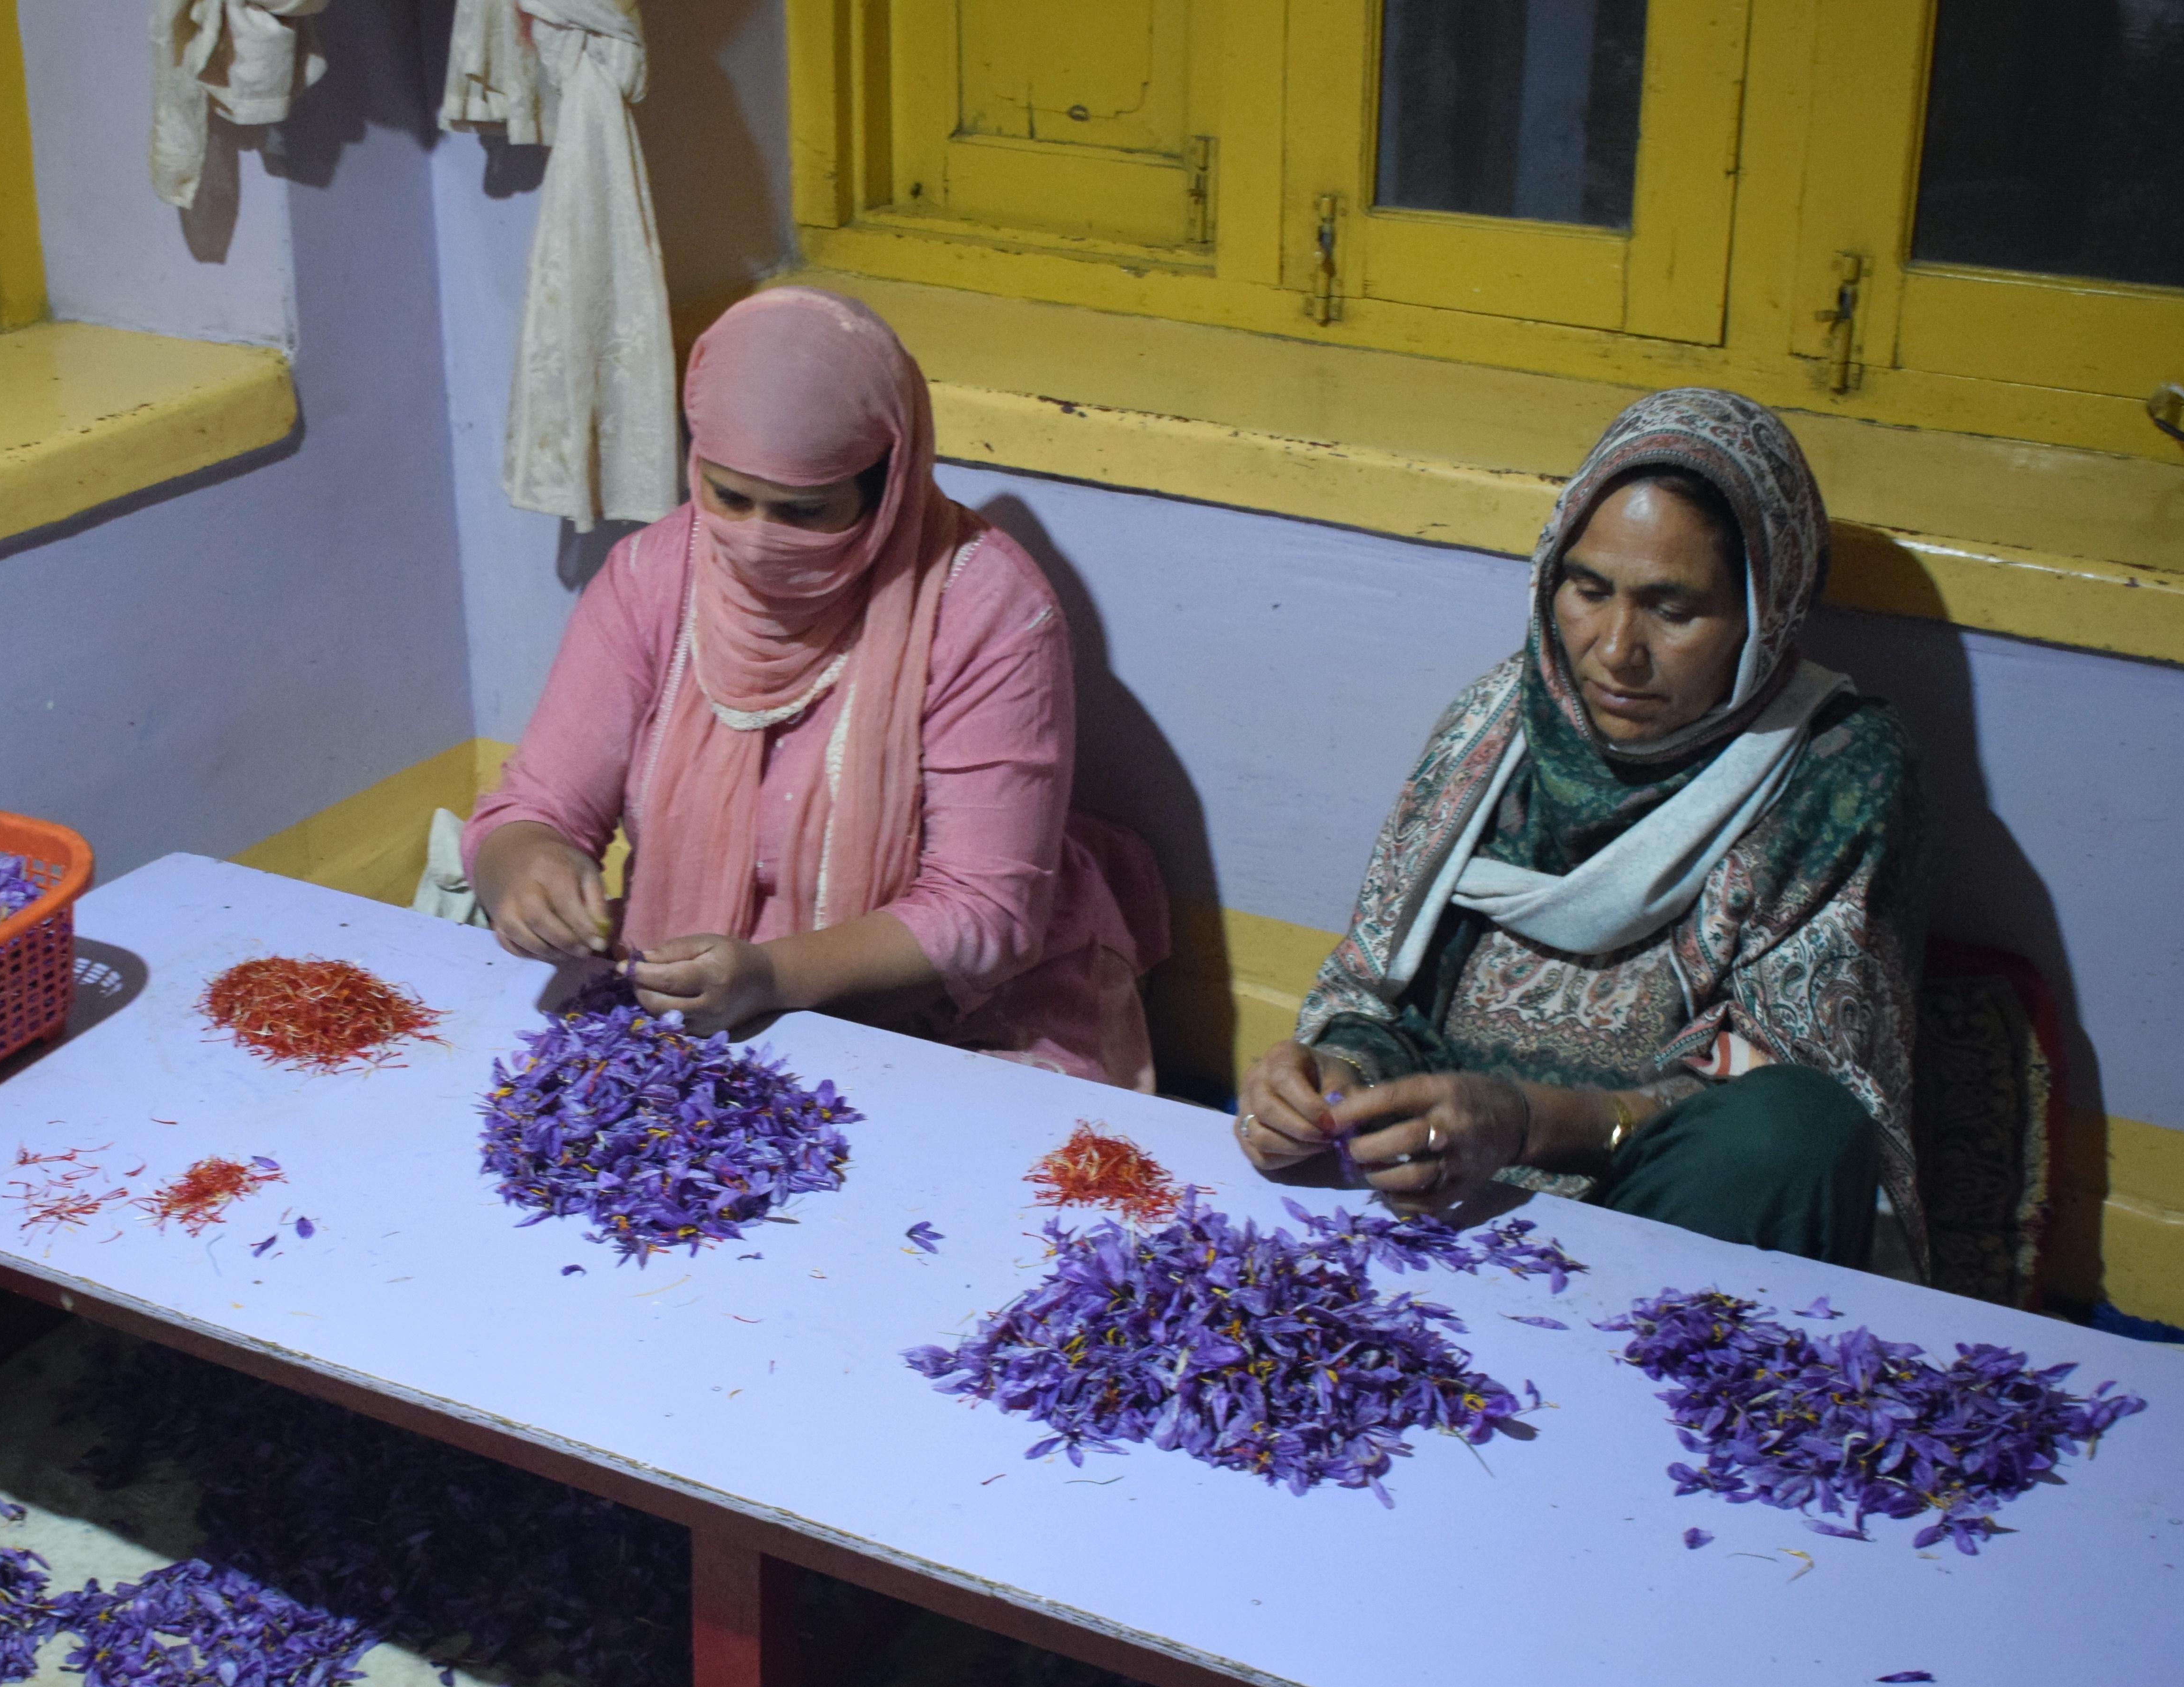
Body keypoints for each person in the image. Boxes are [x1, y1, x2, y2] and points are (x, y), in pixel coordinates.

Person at [1235, 388, 1923, 1268]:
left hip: (1657, 1204)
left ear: (1767, 608)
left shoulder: (1833, 764)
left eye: (1674, 610)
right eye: (1588, 590)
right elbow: (1385, 996)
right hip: (1451, 1185)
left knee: (1790, 1131)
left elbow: (1788, 1099)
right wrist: (1336, 1081)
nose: (1614, 651)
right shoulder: (1500, 723)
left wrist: (1526, 1121)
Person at [465, 286, 1161, 1088]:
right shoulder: (652, 578)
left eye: (806, 511)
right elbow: (533, 811)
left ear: (888, 483)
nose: (759, 543)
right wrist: (524, 871)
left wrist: (772, 976)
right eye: (730, 498)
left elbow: (983, 911)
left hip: (951, 1016)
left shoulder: (988, 610)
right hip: (702, 996)